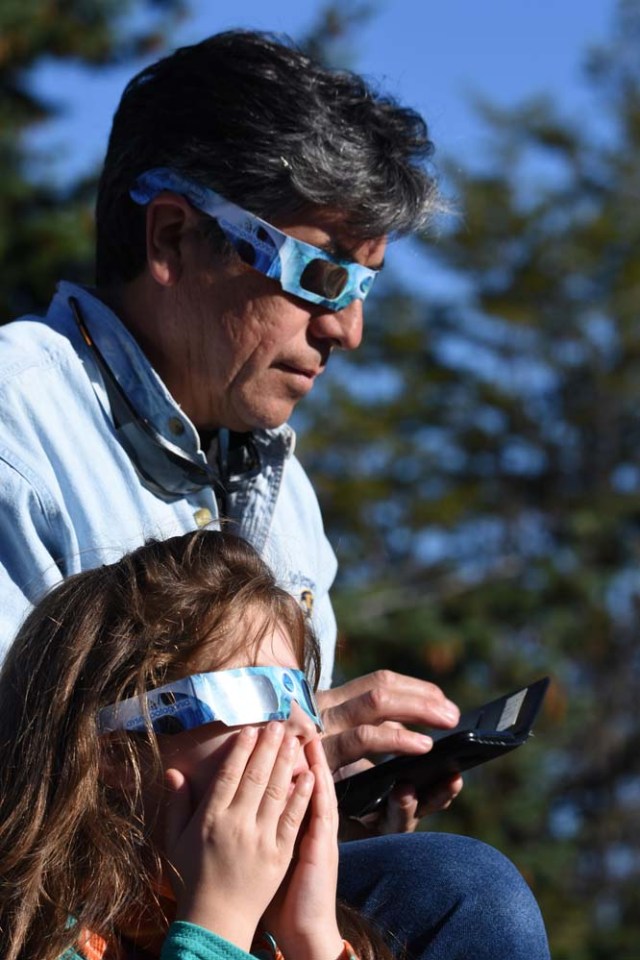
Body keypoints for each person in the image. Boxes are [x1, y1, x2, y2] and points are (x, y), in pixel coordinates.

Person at [0, 30, 551, 959]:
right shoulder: (19, 415)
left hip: (202, 908)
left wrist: (332, 805)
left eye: (366, 284)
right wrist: (293, 733)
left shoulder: (284, 492)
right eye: (324, 273)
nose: (350, 327)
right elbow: (28, 789)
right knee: (468, 895)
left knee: (451, 892)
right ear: (173, 236)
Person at [0, 528, 393, 960]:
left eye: (301, 692)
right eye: (256, 695)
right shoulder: (36, 939)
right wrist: (219, 924)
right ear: (118, 752)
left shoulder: (292, 935)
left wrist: (313, 939)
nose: (305, 725)